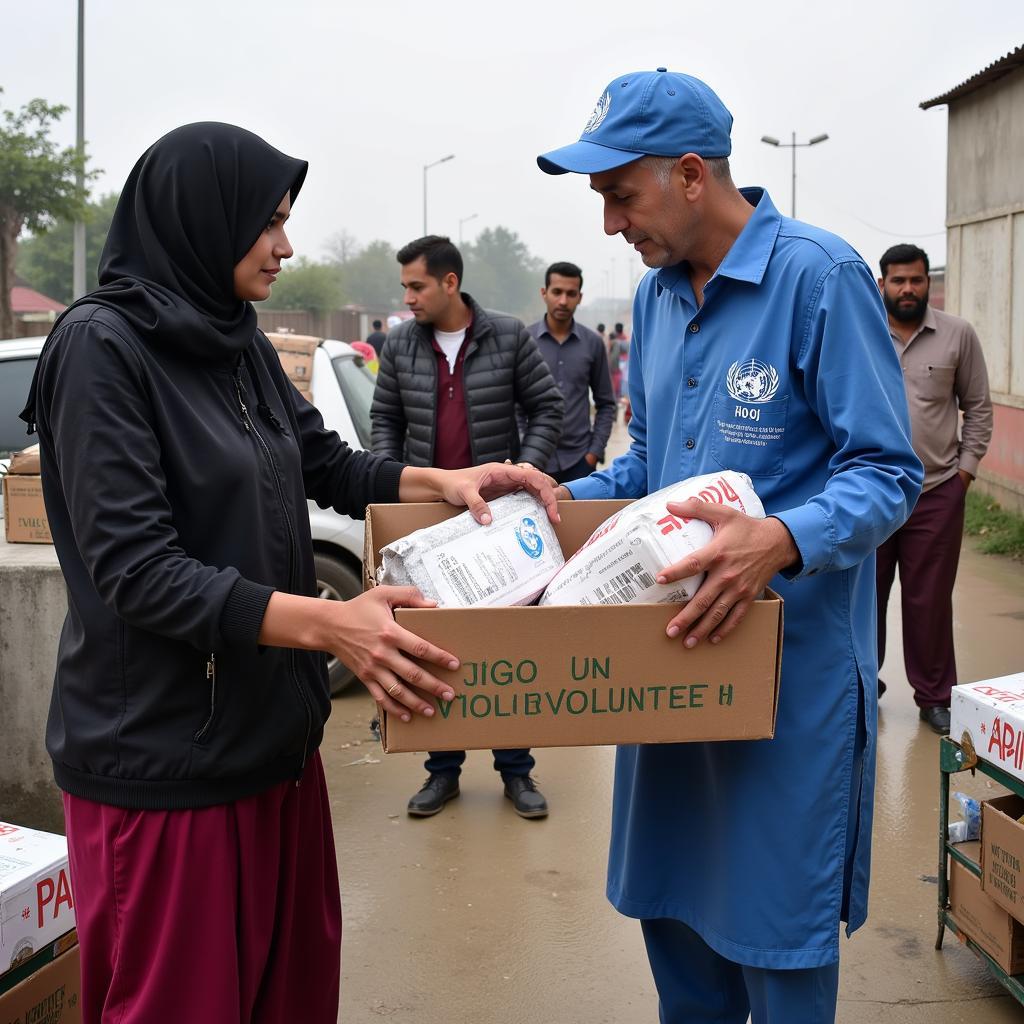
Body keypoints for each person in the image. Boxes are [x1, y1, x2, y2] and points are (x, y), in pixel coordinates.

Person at [19, 123, 559, 1024]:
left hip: (271, 743)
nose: (287, 245)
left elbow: (325, 464)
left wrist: (450, 479)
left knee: (289, 996)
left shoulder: (238, 341)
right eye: (267, 222)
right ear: (202, 218)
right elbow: (137, 569)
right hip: (166, 765)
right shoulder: (100, 348)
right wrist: (334, 623)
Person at [537, 69, 922, 1023]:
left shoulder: (819, 279)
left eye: (621, 195)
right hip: (669, 673)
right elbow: (646, 469)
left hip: (784, 685)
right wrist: (552, 500)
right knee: (677, 933)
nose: (609, 225)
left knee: (776, 944)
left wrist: (781, 539)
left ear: (693, 174)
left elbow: (887, 472)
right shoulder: (661, 301)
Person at [370, 234, 564, 820]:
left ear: (449, 282)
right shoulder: (402, 343)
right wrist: (397, 483)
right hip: (431, 522)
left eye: (417, 286)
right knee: (438, 646)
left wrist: (515, 476)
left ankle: (517, 772)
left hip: (495, 522)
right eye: (404, 286)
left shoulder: (506, 335)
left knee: (508, 646)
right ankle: (442, 772)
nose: (408, 298)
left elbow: (547, 408)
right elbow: (385, 419)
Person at [875, 243, 993, 735]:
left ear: (929, 283)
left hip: (937, 491)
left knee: (929, 600)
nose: (908, 289)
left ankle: (935, 696)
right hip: (871, 491)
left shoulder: (957, 335)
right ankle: (861, 681)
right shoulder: (861, 331)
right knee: (863, 596)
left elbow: (979, 408)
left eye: (916, 280)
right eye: (898, 280)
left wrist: (963, 475)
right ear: (882, 283)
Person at [527, 261, 617, 483]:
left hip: (579, 462)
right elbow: (514, 405)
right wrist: (523, 450)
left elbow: (606, 403)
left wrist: (593, 453)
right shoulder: (525, 341)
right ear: (544, 293)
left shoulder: (593, 343)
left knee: (580, 519)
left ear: (580, 297)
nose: (563, 301)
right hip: (531, 461)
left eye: (571, 293)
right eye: (557, 292)